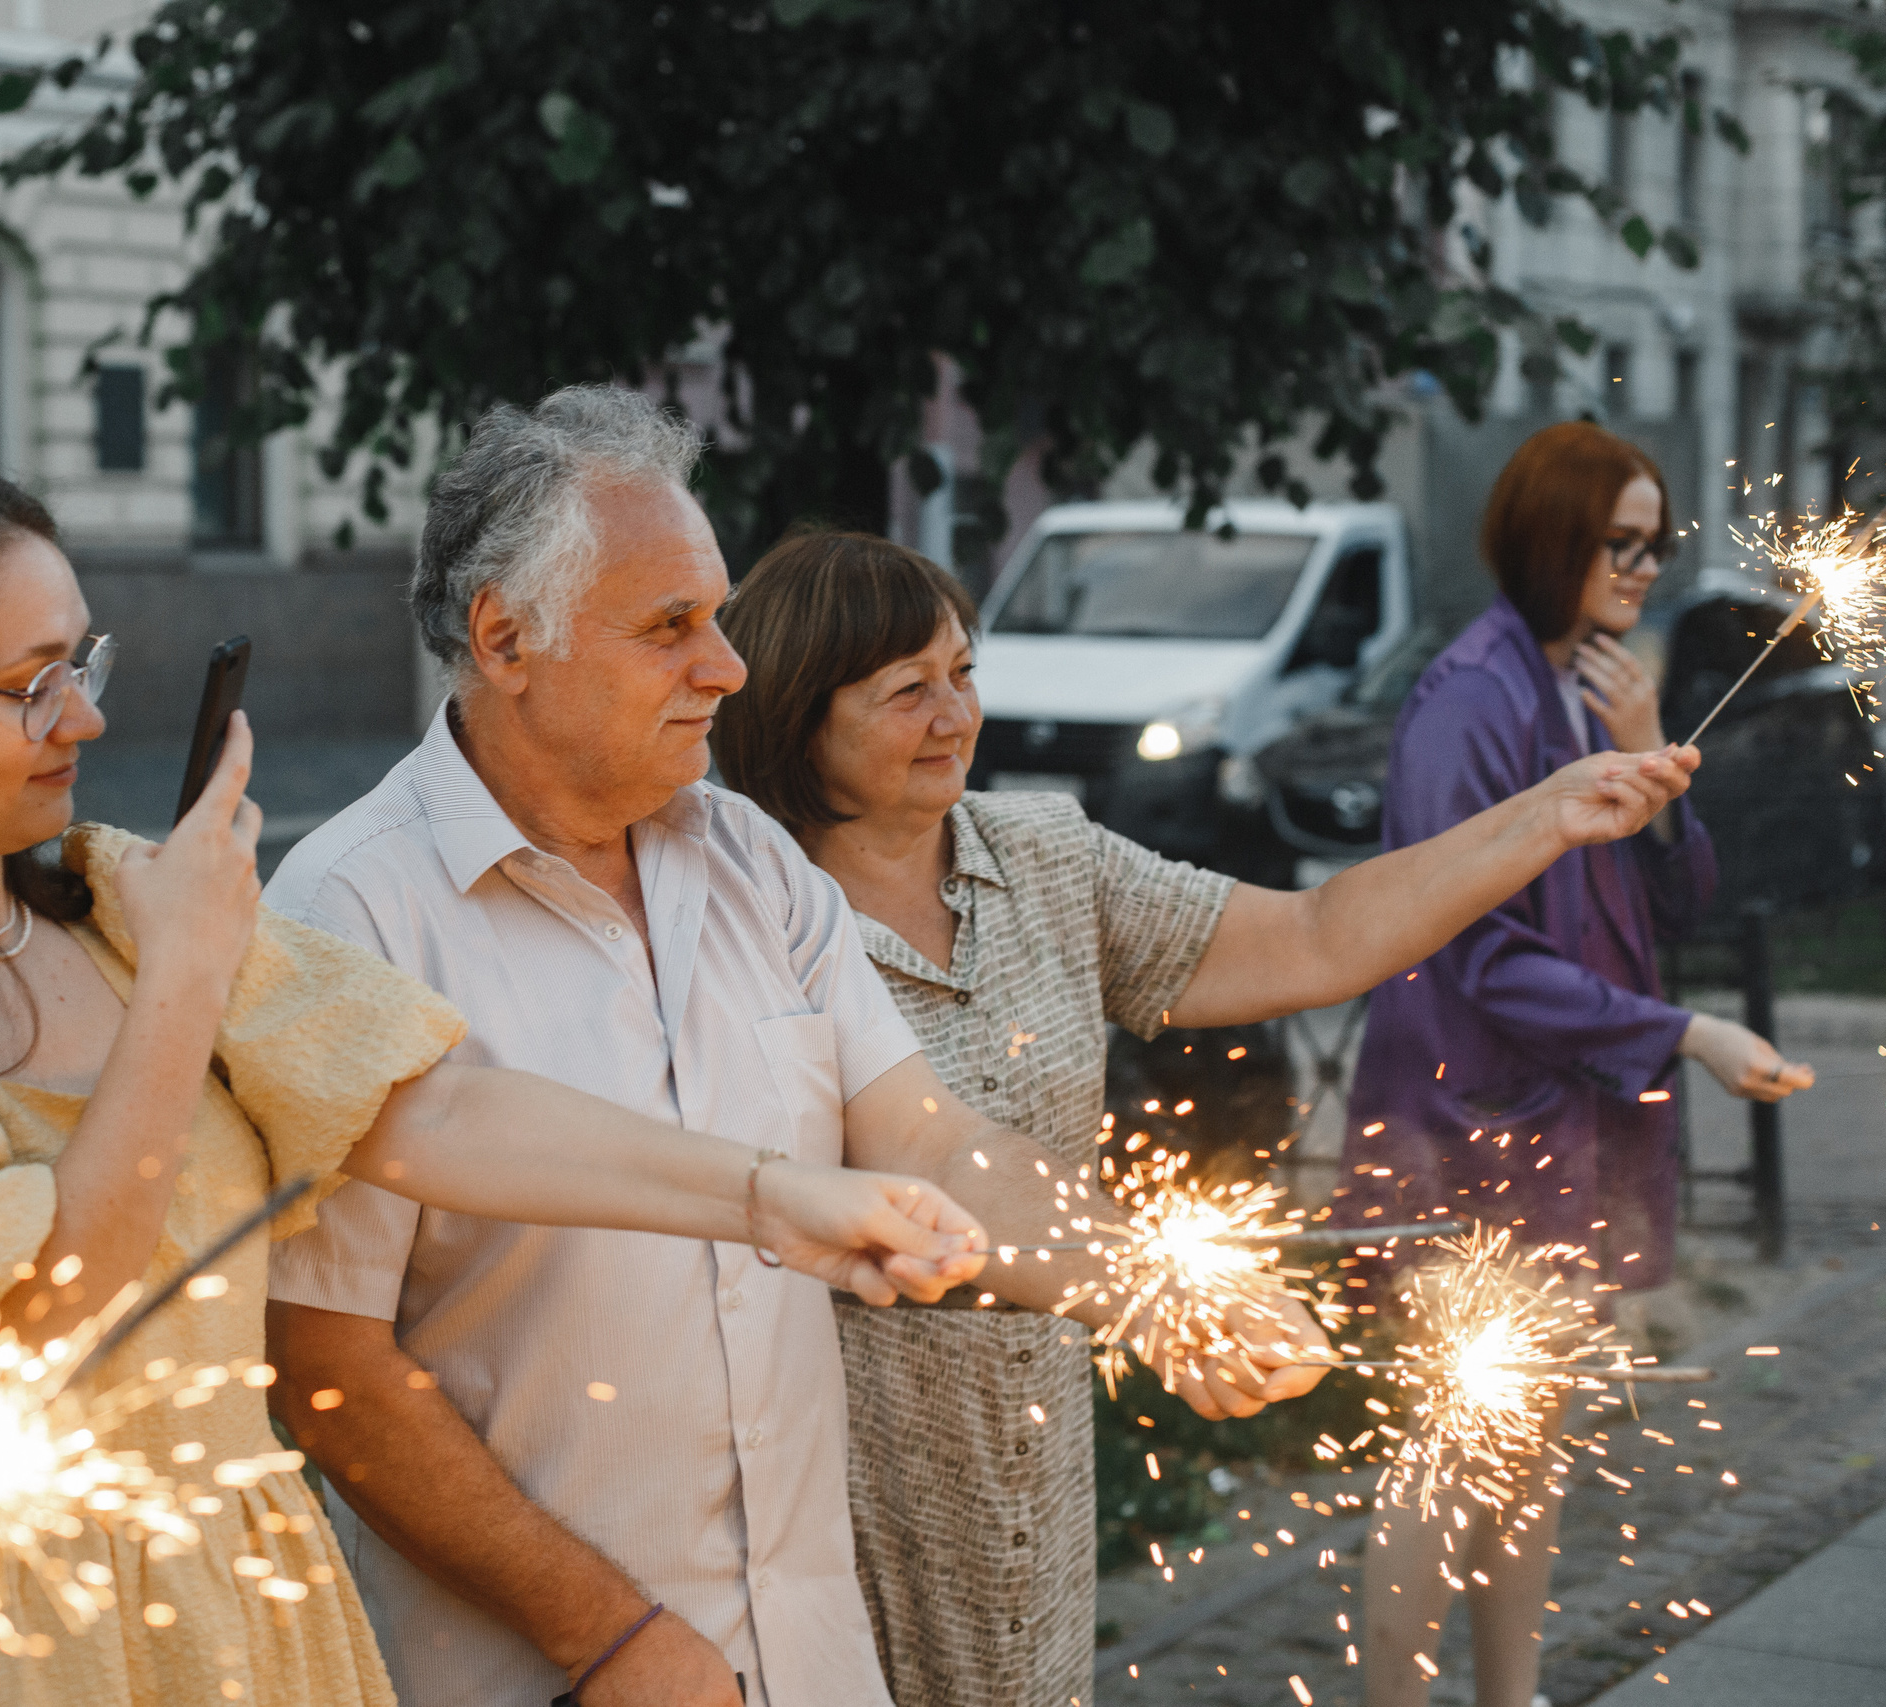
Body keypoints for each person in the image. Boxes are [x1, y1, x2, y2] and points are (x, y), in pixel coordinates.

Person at [0, 447, 991, 1707]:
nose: (83, 718)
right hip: (28, 1642)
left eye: (81, 660)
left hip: (265, 1618)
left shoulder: (107, 900)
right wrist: (183, 990)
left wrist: (771, 1193)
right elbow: (37, 1325)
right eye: (27, 683)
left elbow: (425, 1102)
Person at [261, 388, 1341, 1707]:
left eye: (717, 616)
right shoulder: (347, 908)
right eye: (671, 627)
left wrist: (1147, 1286)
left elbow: (931, 1139)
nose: (727, 665)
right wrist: (606, 1635)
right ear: (505, 637)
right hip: (539, 1669)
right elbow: (324, 1363)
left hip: (814, 1653)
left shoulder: (749, 860)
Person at [708, 530, 1707, 1707]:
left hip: (1029, 1431)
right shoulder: (737, 908)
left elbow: (1317, 934)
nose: (954, 715)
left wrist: (1544, 816)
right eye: (904, 691)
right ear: (794, 715)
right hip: (837, 1450)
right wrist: (1150, 1289)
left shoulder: (1041, 856)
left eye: (963, 673)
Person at [1335, 420, 1814, 1707]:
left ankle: (1512, 1694)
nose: (1642, 570)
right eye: (1619, 544)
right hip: (1462, 1132)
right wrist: (1688, 1035)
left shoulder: (1585, 682)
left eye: (1654, 547)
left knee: (1530, 1436)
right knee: (1451, 1443)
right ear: (1552, 538)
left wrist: (1656, 753)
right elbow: (1469, 951)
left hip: (1555, 1135)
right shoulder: (1469, 700)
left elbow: (1678, 900)